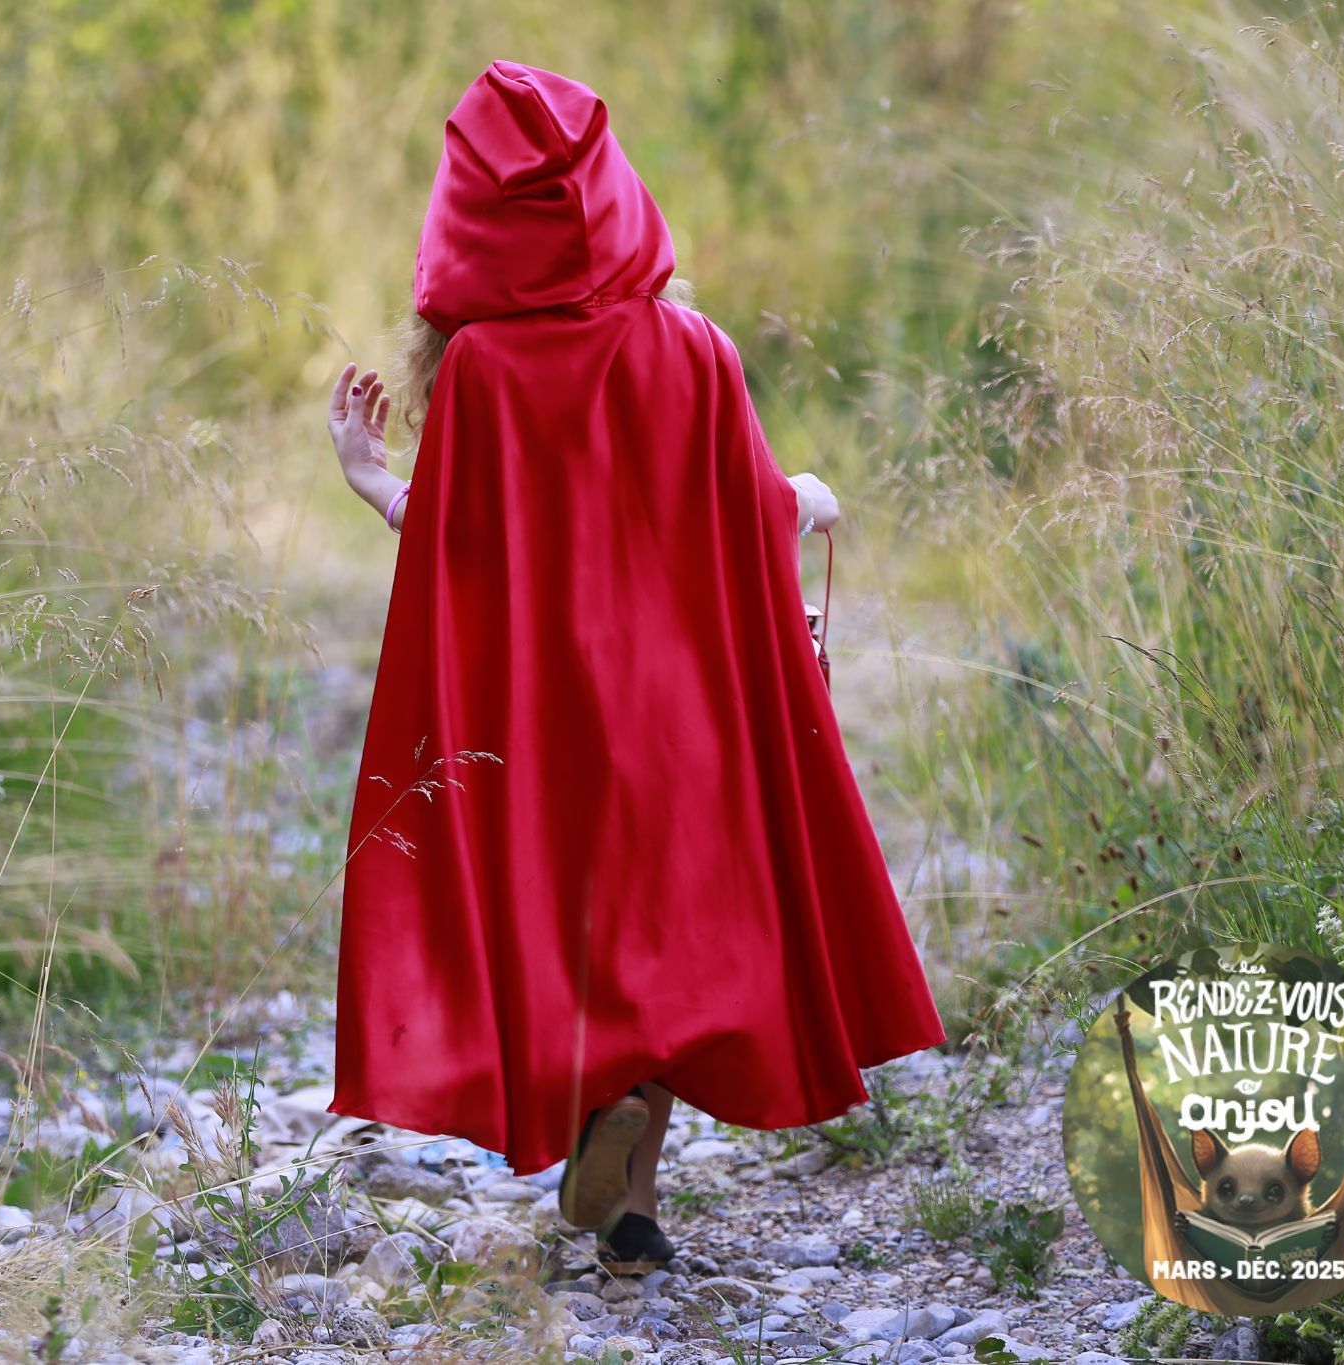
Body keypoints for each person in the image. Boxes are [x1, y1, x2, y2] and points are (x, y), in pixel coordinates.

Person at [322, 59, 946, 1274]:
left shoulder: (487, 378)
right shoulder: (695, 350)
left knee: (581, 930)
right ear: (612, 197)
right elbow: (757, 510)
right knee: (670, 932)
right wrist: (811, 497)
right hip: (684, 717)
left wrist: (366, 475)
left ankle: (613, 1184)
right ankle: (627, 1207)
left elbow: (456, 547)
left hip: (545, 720)